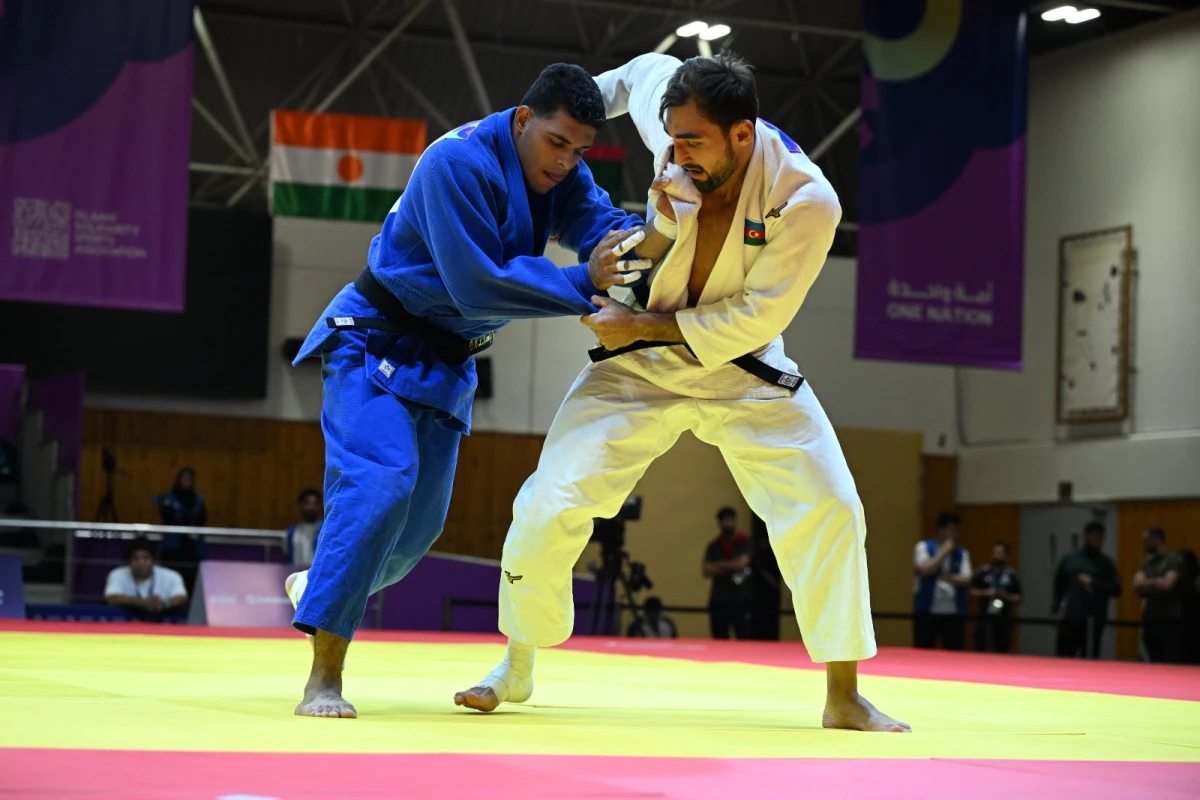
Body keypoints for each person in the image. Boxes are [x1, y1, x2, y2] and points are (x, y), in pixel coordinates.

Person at [455, 52, 909, 733]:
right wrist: (548, 118)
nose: (677, 154)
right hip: (639, 367)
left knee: (831, 506)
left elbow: (757, 317)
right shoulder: (674, 118)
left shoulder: (807, 200)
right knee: (550, 502)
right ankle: (516, 665)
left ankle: (843, 693)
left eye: (693, 142)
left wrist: (637, 321)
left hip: (742, 367)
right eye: (671, 138)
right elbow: (630, 78)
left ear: (742, 135)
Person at [283, 63, 651, 719]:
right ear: (522, 120)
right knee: (379, 487)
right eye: (556, 142)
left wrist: (639, 243)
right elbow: (474, 285)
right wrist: (579, 284)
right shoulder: (452, 163)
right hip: (375, 339)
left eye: (580, 150)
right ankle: (324, 677)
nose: (565, 161)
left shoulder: (561, 174)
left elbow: (594, 222)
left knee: (414, 534)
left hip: (449, 363)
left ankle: (321, 586)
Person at [1053, 521, 1121, 659]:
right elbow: (1059, 585)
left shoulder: (1105, 563)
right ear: (1086, 536)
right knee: (1063, 657)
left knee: (1089, 659)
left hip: (1094, 619)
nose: (1098, 541)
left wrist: (1093, 583)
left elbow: (1116, 589)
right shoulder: (1070, 559)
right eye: (1095, 537)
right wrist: (1055, 610)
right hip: (1071, 616)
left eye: (1101, 538)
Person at [912, 512, 971, 651]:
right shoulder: (923, 547)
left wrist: (947, 577)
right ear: (940, 529)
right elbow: (925, 569)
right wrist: (943, 552)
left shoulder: (961, 553)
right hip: (927, 610)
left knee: (954, 652)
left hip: (953, 612)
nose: (954, 533)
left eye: (956, 529)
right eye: (951, 529)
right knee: (923, 650)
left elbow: (967, 579)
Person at [104, 537, 188, 622]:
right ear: (129, 561)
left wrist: (164, 604)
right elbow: (111, 598)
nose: (141, 563)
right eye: (135, 558)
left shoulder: (171, 576)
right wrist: (141, 602)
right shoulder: (117, 574)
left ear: (153, 561)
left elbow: (182, 598)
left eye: (146, 558)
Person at [1133, 527, 1186, 664]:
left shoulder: (1173, 560)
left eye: (1146, 540)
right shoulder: (1147, 562)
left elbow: (1167, 585)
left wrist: (1147, 583)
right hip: (1151, 617)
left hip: (1169, 618)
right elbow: (1137, 585)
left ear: (1156, 539)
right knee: (1152, 659)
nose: (1144, 544)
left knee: (1170, 659)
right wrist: (1158, 581)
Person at [702, 506, 753, 639]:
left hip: (740, 599)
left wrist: (718, 564)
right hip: (719, 600)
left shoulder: (744, 541)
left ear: (735, 521)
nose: (727, 523)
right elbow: (706, 570)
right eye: (724, 520)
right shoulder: (714, 545)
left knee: (743, 639)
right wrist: (732, 565)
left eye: (730, 520)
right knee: (719, 639)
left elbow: (742, 563)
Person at [156, 467, 208, 593]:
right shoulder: (168, 498)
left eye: (189, 479)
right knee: (170, 580)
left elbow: (202, 518)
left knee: (191, 582)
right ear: (178, 480)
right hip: (172, 549)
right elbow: (167, 517)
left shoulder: (198, 500)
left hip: (192, 549)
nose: (186, 481)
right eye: (183, 478)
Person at [969, 540, 1022, 653]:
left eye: (1001, 552)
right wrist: (986, 593)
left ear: (1006, 555)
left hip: (1004, 618)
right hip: (984, 616)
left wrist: (1005, 596)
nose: (998, 555)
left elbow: (1019, 597)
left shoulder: (1012, 575)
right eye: (995, 552)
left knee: (1003, 649)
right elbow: (971, 591)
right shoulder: (982, 572)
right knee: (981, 647)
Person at [285, 489, 323, 567]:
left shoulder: (324, 530)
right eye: (307, 503)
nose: (311, 507)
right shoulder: (292, 532)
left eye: (315, 503)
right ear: (301, 505)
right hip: (295, 573)